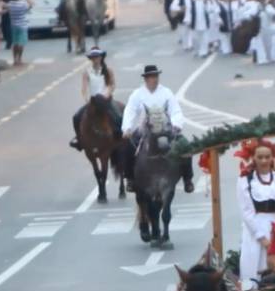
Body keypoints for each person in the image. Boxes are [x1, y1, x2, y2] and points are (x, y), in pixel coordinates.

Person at [120, 65, 193, 193]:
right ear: (146, 79)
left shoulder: (166, 92)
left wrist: (176, 125)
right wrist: (127, 128)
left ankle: (188, 179)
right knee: (127, 147)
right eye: (152, 76)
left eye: (156, 76)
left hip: (166, 129)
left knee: (185, 146)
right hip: (144, 130)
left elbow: (175, 110)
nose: (155, 79)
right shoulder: (137, 94)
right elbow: (130, 111)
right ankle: (130, 178)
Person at [236, 140, 275, 284]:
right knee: (254, 265)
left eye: (267, 157)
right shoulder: (246, 180)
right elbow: (246, 211)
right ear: (254, 158)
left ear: (272, 158)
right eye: (260, 157)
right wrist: (262, 238)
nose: (264, 161)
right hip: (254, 229)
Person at [70, 48, 120, 151]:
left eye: (97, 57)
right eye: (93, 57)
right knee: (76, 117)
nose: (95, 59)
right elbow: (84, 89)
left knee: (118, 116)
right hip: (93, 102)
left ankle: (120, 136)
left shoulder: (108, 70)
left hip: (105, 99)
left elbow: (112, 85)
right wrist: (87, 99)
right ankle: (79, 139)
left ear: (101, 57)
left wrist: (107, 94)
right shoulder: (87, 72)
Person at [7, 0, 33, 66]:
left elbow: (7, 9)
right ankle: (20, 59)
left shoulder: (10, 4)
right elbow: (31, 5)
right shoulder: (22, 4)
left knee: (15, 43)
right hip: (22, 25)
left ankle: (15, 60)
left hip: (13, 25)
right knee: (21, 43)